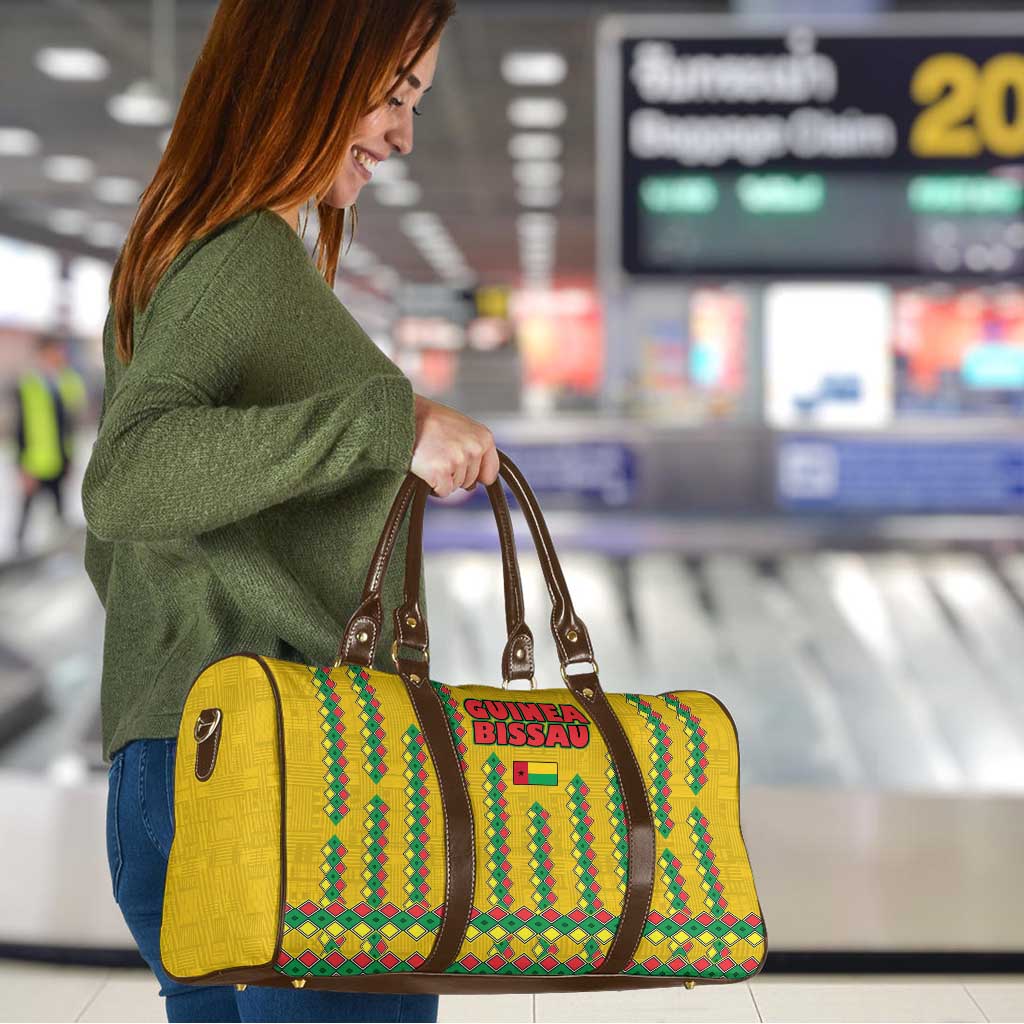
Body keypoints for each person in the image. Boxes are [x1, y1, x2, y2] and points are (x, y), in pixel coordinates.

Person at [81, 3, 495, 1021]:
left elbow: (125, 545)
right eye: (395, 94)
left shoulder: (181, 253)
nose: (402, 133)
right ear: (306, 65)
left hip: (179, 757)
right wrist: (385, 424)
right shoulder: (240, 260)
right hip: (295, 773)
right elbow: (126, 476)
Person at [11, 331, 86, 556]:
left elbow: (72, 416)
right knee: (26, 512)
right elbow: (20, 428)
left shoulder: (65, 381)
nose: (59, 355)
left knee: (59, 511)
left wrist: (70, 458)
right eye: (55, 350)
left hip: (60, 458)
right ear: (43, 353)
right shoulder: (28, 385)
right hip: (35, 462)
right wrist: (22, 466)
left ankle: (59, 554)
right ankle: (18, 554)